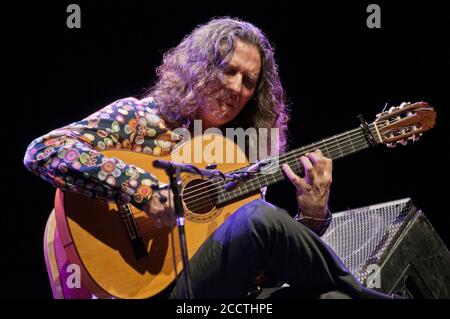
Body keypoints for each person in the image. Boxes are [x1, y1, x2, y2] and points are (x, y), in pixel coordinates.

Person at [24, 17, 395, 299]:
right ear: (199, 67)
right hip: (151, 291)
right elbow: (44, 150)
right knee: (261, 218)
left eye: (249, 82)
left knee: (330, 297)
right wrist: (143, 190)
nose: (236, 88)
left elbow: (261, 277)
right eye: (229, 70)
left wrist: (312, 217)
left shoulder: (241, 157)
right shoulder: (142, 119)